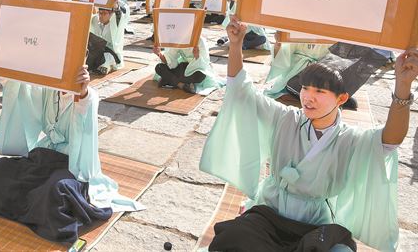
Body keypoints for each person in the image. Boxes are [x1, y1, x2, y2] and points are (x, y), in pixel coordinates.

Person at [199, 15, 416, 251]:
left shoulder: (350, 139)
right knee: (231, 239)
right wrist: (235, 44)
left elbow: (390, 140)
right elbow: (242, 90)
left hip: (313, 224)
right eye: (305, 88)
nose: (308, 97)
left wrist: (402, 87)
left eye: (320, 91)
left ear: (342, 98)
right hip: (270, 212)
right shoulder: (285, 118)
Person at [0, 46, 143, 243]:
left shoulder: (89, 95)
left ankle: (31, 205)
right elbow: (19, 87)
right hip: (44, 156)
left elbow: (84, 108)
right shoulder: (48, 88)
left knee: (55, 192)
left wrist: (82, 91)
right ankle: (30, 207)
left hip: (70, 164)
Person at [153, 36, 223, 94]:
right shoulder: (177, 38)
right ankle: (180, 85)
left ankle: (169, 80)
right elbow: (171, 62)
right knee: (159, 67)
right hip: (182, 68)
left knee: (200, 76)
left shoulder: (200, 40)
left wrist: (197, 56)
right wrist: (159, 54)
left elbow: (204, 63)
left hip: (195, 70)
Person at [87, 2, 128, 74]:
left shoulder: (116, 23)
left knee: (107, 58)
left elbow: (119, 14)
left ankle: (104, 67)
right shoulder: (95, 20)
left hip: (111, 52)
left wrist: (115, 4)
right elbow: (85, 16)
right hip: (97, 51)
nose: (101, 16)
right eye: (100, 13)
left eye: (104, 13)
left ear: (111, 14)